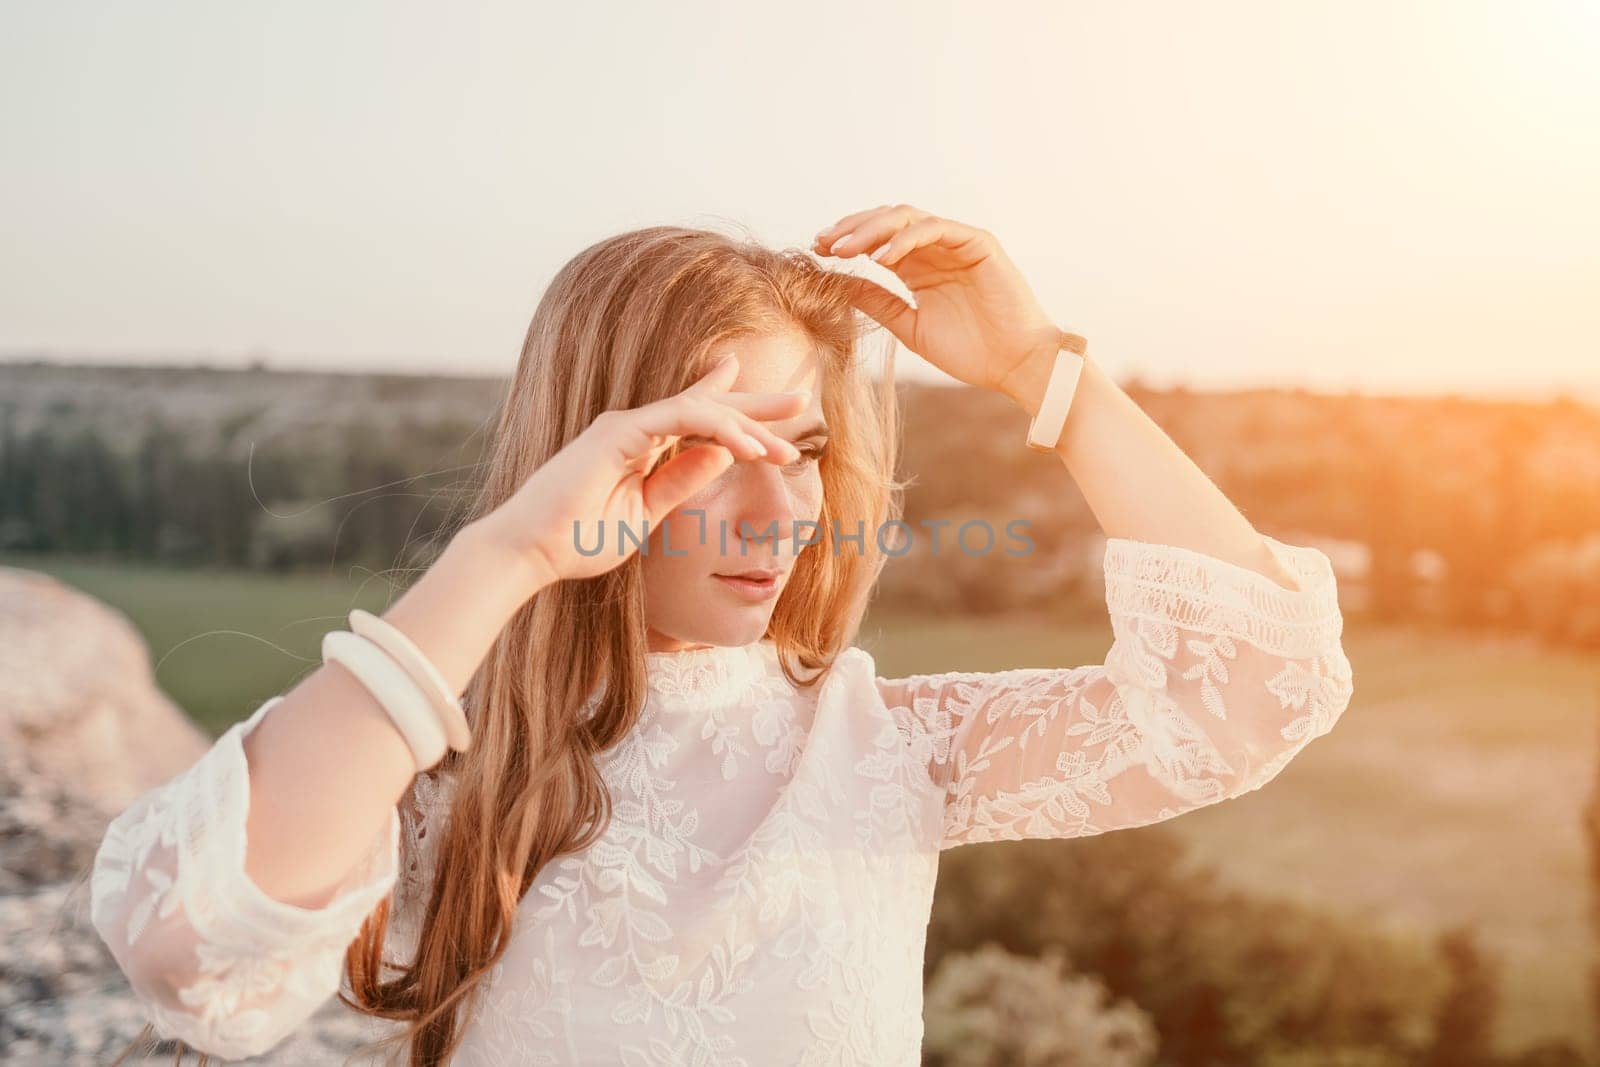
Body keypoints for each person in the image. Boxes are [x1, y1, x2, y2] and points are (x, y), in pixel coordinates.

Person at [90, 204, 1355, 1065]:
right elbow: (189, 953)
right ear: (588, 451)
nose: (778, 509)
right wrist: (510, 554)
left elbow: (1252, 692)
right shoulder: (442, 771)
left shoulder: (883, 746)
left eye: (802, 450)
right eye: (707, 450)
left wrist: (1041, 369)